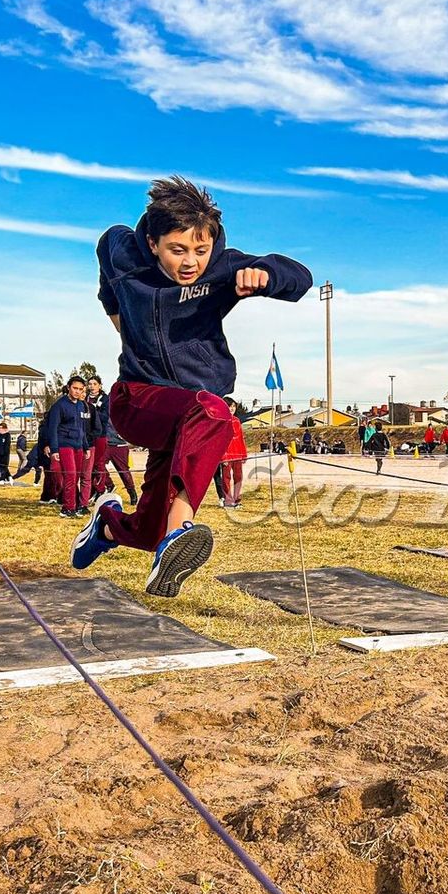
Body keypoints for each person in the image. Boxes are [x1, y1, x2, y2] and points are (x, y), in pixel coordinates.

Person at [72, 175, 312, 596]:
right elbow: (106, 246)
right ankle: (179, 529)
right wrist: (118, 315)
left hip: (192, 417)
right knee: (213, 411)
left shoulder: (224, 267)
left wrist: (266, 277)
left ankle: (107, 527)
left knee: (148, 529)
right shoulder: (126, 253)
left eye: (200, 251)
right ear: (153, 243)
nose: (190, 262)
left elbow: (300, 277)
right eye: (177, 250)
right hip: (138, 398)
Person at [45, 377, 93, 518]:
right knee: (70, 476)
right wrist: (54, 449)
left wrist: (86, 447)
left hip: (78, 444)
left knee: (76, 476)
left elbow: (81, 428)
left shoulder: (81, 405)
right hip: (64, 444)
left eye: (80, 389)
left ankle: (76, 506)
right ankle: (67, 508)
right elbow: (52, 429)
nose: (77, 391)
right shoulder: (59, 406)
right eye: (75, 388)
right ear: (68, 387)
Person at [218, 397, 247, 507]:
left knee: (238, 477)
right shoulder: (221, 420)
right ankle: (228, 500)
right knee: (226, 478)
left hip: (237, 455)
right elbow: (220, 440)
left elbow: (241, 439)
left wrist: (243, 454)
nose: (232, 408)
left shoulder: (236, 420)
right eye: (230, 406)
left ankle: (237, 499)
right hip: (227, 455)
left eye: (234, 406)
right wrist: (223, 457)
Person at [85, 375, 111, 495]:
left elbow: (106, 416)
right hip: (87, 435)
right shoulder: (85, 398)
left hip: (100, 434)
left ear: (100, 385)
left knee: (98, 462)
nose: (92, 387)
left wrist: (94, 411)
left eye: (94, 384)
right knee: (88, 463)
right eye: (90, 384)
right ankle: (100, 487)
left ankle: (100, 489)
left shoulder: (105, 399)